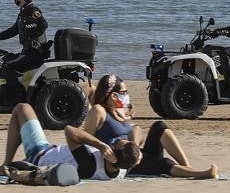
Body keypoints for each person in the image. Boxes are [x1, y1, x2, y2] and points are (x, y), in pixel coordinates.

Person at [83, 74, 218, 179]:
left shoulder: (120, 112)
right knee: (162, 163)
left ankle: (188, 167)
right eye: (124, 92)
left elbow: (137, 131)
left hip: (134, 152)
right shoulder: (99, 111)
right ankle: (201, 174)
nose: (126, 96)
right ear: (113, 95)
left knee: (159, 126)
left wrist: (134, 144)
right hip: (122, 161)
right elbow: (86, 141)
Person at [0, 103, 141, 180]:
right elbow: (137, 129)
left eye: (116, 143)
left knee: (22, 108)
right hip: (53, 151)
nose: (115, 141)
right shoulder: (122, 169)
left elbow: (69, 130)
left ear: (112, 156)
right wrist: (136, 146)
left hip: (39, 154)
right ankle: (1, 165)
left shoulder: (90, 165)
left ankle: (5, 164)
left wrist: (100, 145)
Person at [0, 0, 48, 92]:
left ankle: (18, 94)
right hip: (27, 52)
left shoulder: (32, 10)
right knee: (4, 58)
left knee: (7, 66)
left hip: (34, 53)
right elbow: (12, 31)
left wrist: (33, 35)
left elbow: (44, 24)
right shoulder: (23, 12)